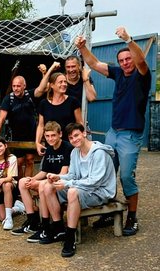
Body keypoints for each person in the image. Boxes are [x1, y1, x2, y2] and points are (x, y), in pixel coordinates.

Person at [75, 26, 151, 236]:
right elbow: (92, 63)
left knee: (126, 177)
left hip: (130, 135)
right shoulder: (117, 73)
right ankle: (108, 212)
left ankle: (132, 218)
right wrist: (82, 48)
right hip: (112, 133)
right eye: (122, 60)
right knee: (105, 173)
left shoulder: (142, 76)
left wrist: (128, 39)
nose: (126, 63)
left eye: (128, 59)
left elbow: (142, 62)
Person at [44, 123, 116, 257]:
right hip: (84, 188)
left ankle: (70, 239)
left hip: (100, 191)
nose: (74, 139)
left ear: (84, 133)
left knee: (72, 192)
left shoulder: (98, 153)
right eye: (71, 138)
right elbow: (73, 175)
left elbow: (95, 181)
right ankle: (59, 229)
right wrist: (58, 177)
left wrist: (67, 184)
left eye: (76, 135)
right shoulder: (75, 152)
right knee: (48, 187)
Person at [11, 121, 73, 243]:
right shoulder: (49, 149)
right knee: (23, 181)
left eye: (53, 135)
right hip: (49, 180)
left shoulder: (67, 148)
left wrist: (42, 181)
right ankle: (32, 221)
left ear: (60, 134)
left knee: (43, 185)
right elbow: (44, 171)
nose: (50, 139)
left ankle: (45, 226)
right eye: (47, 136)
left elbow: (63, 174)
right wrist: (32, 179)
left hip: (61, 183)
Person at [0, 71, 48, 178]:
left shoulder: (30, 95)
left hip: (31, 133)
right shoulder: (9, 99)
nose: (16, 88)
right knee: (18, 161)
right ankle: (19, 185)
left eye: (18, 86)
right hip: (15, 134)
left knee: (30, 159)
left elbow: (42, 89)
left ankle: (27, 184)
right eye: (14, 86)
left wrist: (45, 73)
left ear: (24, 86)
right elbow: (1, 119)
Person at [35, 65, 83, 156]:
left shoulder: (73, 101)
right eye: (60, 82)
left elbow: (79, 123)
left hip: (70, 146)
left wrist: (81, 141)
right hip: (52, 146)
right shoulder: (44, 104)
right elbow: (41, 126)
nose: (64, 84)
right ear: (52, 85)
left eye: (65, 82)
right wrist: (37, 142)